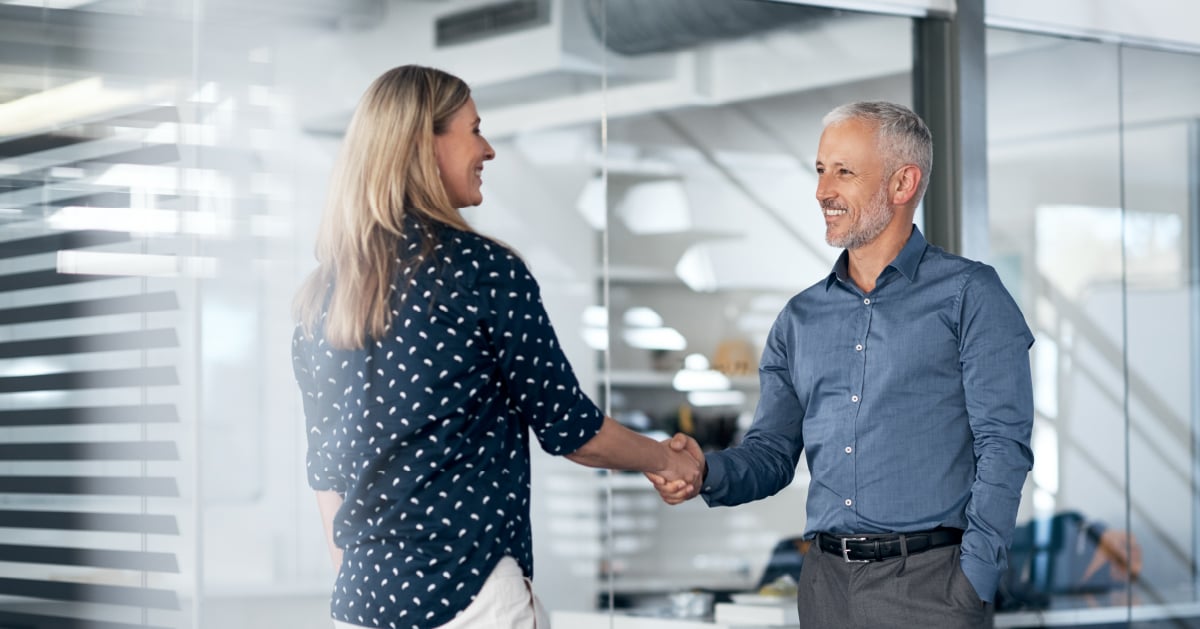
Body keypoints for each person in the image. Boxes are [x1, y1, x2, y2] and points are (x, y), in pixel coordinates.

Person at [290, 64, 701, 629]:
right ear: (423, 143)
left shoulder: (321, 297)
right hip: (471, 595)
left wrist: (368, 588)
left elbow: (326, 478)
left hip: (362, 604)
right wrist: (666, 459)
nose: (487, 149)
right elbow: (572, 429)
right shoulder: (481, 271)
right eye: (474, 129)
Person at [649, 101, 1035, 628]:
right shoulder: (800, 318)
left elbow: (1004, 446)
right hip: (825, 588)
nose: (822, 191)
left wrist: (972, 583)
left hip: (930, 591)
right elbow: (771, 456)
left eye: (843, 172)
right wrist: (703, 471)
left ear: (903, 185)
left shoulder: (971, 294)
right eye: (820, 170)